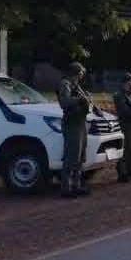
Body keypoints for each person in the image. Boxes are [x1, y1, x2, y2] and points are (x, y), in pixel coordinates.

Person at [57, 61, 93, 198]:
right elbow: (64, 102)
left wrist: (87, 98)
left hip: (81, 122)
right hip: (72, 123)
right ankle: (66, 187)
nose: (82, 76)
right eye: (80, 73)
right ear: (75, 73)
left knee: (80, 157)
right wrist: (80, 100)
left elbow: (84, 99)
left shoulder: (76, 85)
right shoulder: (65, 83)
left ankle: (76, 185)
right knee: (71, 156)